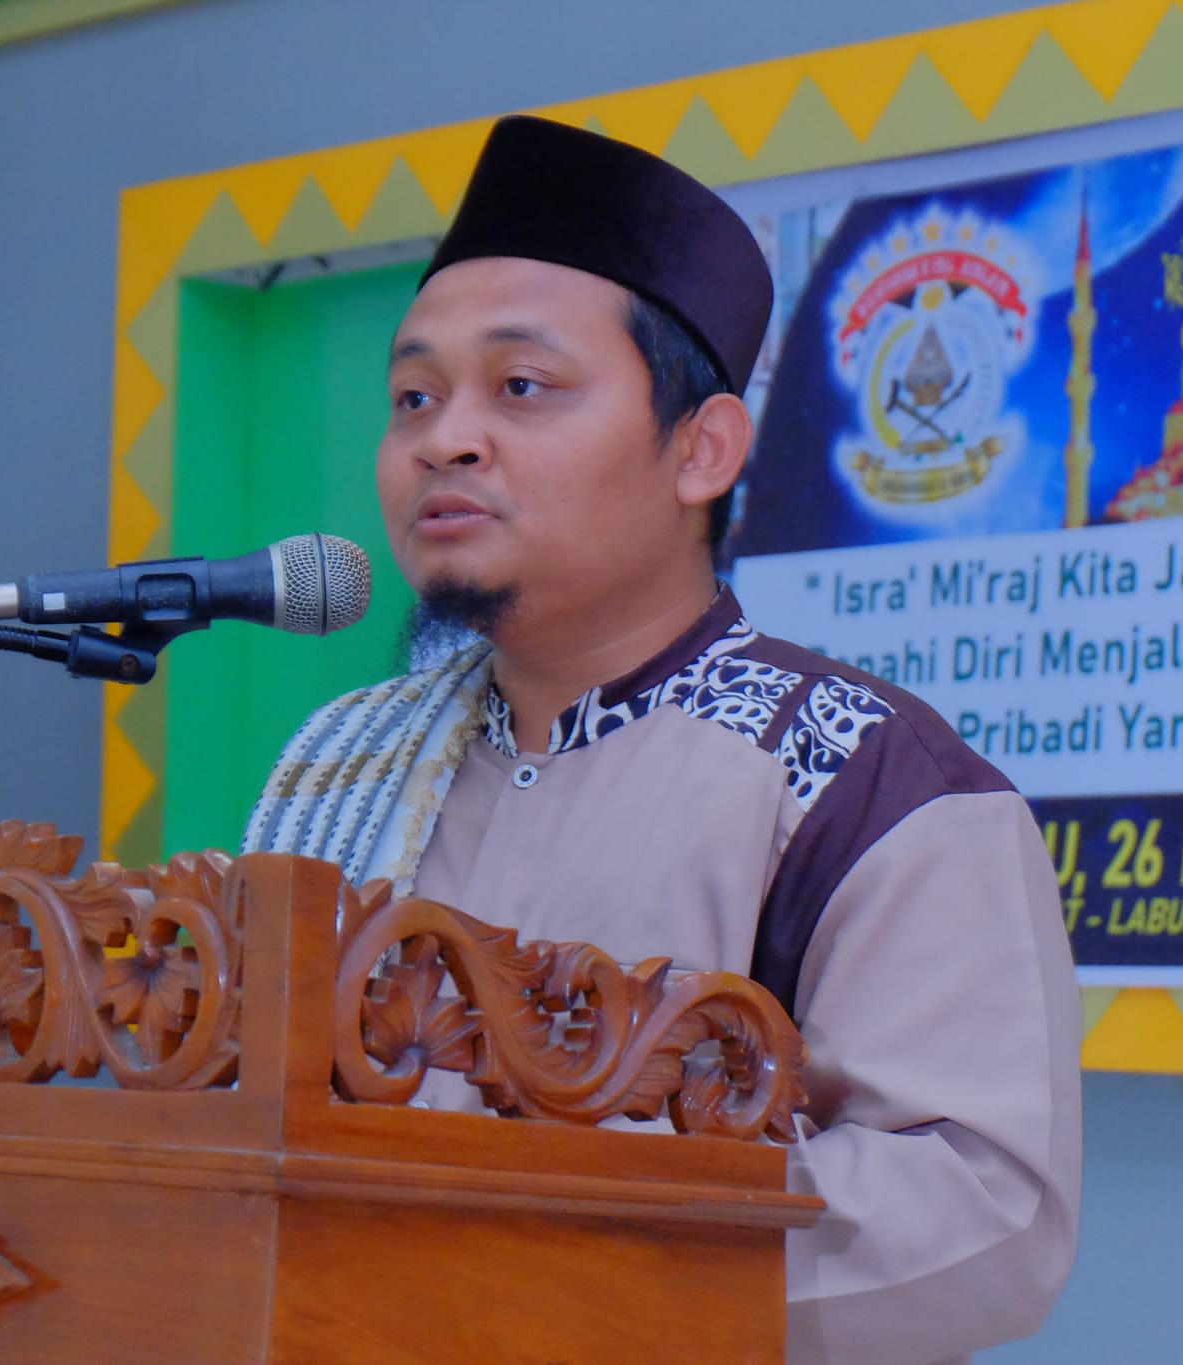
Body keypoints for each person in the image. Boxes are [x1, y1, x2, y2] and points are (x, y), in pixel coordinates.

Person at [241, 115, 1080, 1365]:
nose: (441, 439)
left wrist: (518, 1274)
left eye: (520, 388)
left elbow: (976, 1216)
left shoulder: (860, 780)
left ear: (701, 450)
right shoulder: (347, 762)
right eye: (412, 397)